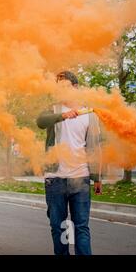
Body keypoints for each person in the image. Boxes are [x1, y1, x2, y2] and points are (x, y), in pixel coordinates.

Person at [36, 70, 103, 255]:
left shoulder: (89, 114)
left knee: (81, 227)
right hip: (55, 179)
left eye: (66, 86)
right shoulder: (54, 110)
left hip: (80, 178)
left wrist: (97, 177)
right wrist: (63, 116)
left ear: (75, 88)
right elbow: (40, 121)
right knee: (59, 228)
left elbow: (95, 148)